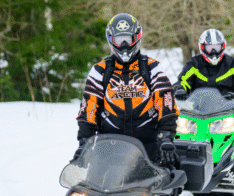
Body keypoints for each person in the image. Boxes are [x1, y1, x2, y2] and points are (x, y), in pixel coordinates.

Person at [74, 13, 178, 166]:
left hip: (148, 145)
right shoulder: (100, 71)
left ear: (136, 38)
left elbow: (166, 102)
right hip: (108, 148)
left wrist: (167, 137)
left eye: (128, 39)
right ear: (111, 40)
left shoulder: (152, 68)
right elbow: (88, 108)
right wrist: (84, 143)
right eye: (119, 39)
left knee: (166, 180)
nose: (123, 44)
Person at [173, 29, 234, 105]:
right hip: (197, 111)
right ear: (202, 47)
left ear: (222, 46)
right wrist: (180, 90)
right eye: (210, 48)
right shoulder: (194, 64)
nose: (213, 51)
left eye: (216, 47)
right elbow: (182, 81)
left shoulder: (233, 64)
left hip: (227, 111)